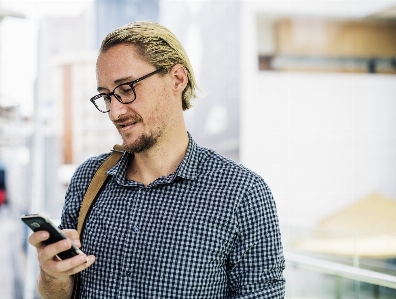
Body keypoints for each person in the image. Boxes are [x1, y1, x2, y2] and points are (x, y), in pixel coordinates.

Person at [28, 21, 285, 298]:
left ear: (177, 78)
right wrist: (51, 275)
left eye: (126, 89)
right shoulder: (88, 178)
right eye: (106, 96)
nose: (115, 111)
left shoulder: (243, 194)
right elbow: (60, 293)